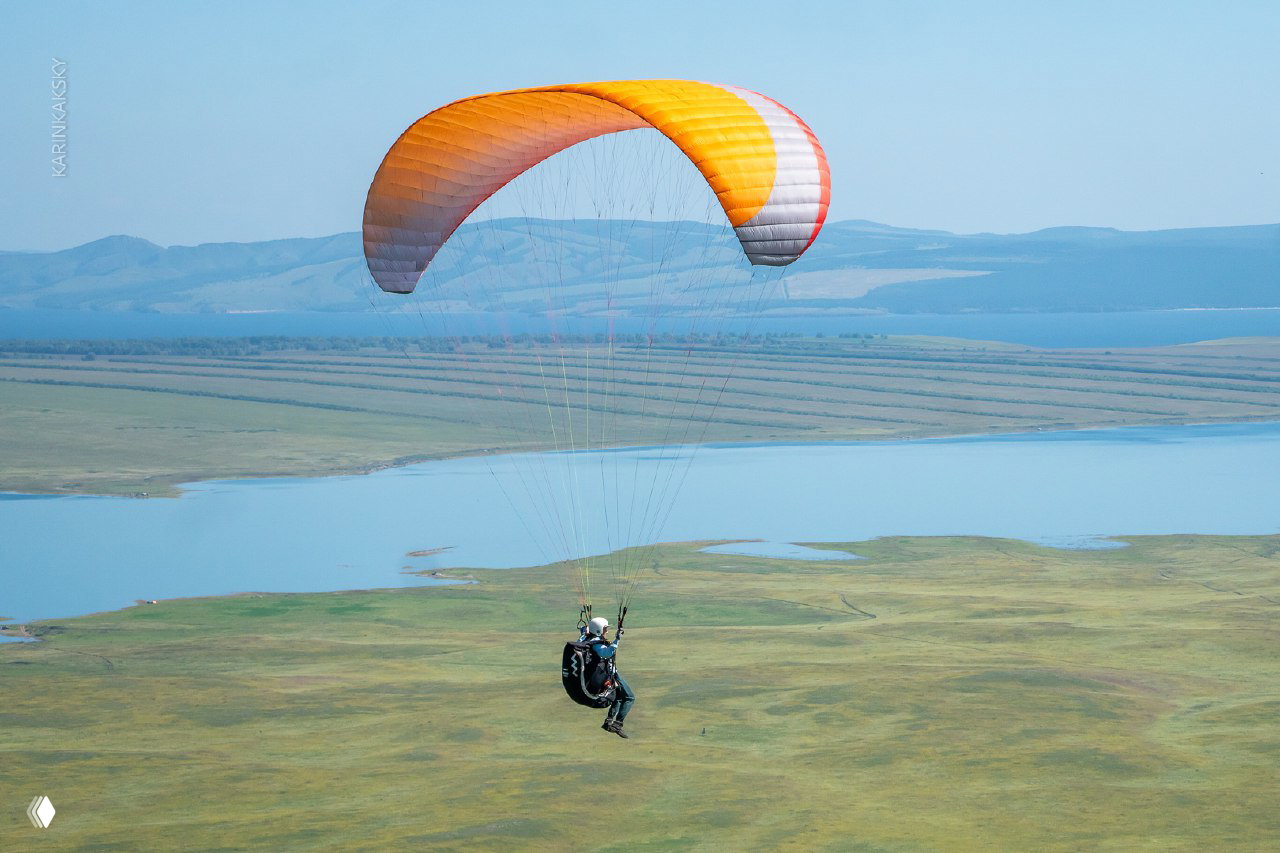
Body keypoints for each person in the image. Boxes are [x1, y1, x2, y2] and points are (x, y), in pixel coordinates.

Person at [581, 615, 634, 738]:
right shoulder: (596, 644)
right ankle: (617, 724)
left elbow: (583, 635)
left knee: (618, 697)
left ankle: (609, 722)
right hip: (611, 674)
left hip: (605, 673)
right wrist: (617, 639)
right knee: (629, 697)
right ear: (599, 630)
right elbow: (607, 653)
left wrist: (585, 630)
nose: (607, 631)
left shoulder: (586, 638)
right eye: (605, 629)